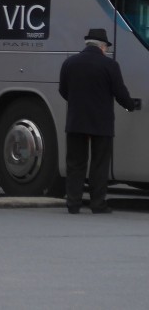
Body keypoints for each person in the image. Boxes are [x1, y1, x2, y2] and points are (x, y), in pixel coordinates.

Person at [57, 27, 142, 214]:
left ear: (87, 43)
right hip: (101, 123)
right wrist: (130, 105)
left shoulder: (70, 63)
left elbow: (63, 91)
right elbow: (120, 93)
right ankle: (97, 203)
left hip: (76, 121)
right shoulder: (109, 65)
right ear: (103, 47)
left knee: (75, 163)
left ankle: (73, 203)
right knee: (99, 164)